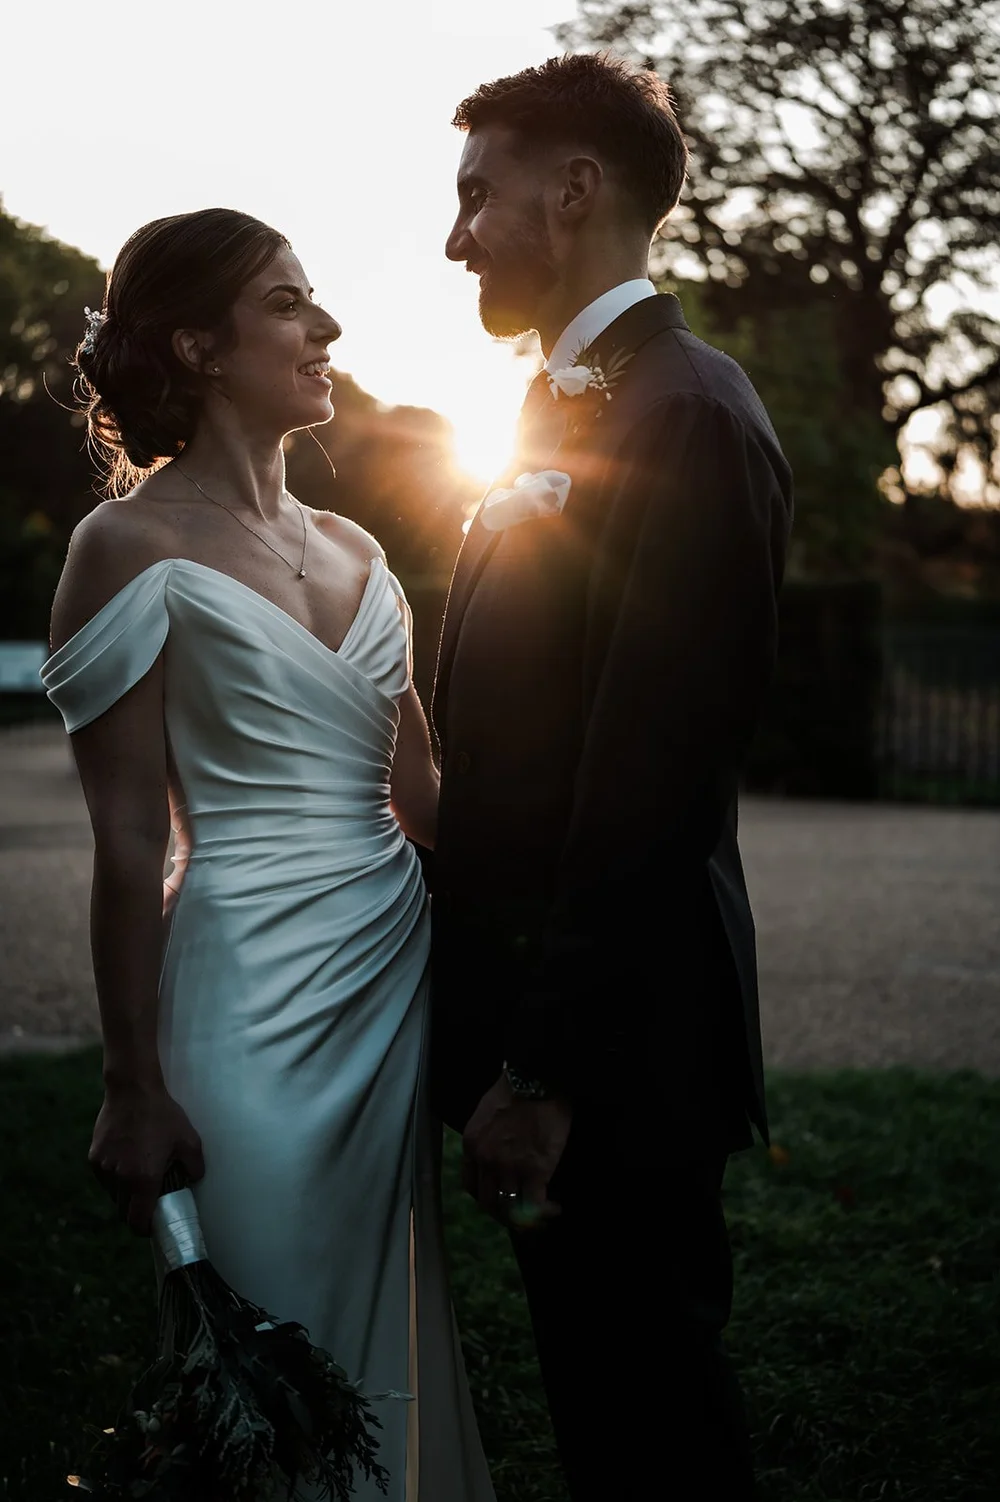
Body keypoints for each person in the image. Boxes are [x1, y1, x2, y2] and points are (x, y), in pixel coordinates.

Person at [41, 208, 494, 1502]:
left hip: (391, 997)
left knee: (387, 1329)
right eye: (291, 302)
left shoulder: (361, 551)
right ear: (196, 343)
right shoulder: (122, 549)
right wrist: (132, 1086)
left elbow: (425, 800)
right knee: (266, 1340)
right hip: (242, 1004)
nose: (328, 327)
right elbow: (129, 844)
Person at [431, 52, 794, 1500]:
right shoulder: (560, 409)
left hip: (616, 1055)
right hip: (559, 1036)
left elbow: (649, 783)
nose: (456, 236)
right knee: (599, 1413)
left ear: (574, 191)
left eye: (477, 196)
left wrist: (539, 1067)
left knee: (652, 1426)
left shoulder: (688, 416)